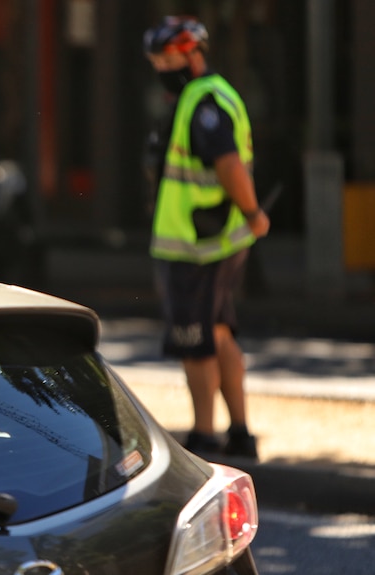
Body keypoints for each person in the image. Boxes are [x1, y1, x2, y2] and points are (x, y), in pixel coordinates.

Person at [143, 16, 270, 459]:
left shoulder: (203, 103)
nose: (162, 65)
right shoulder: (213, 95)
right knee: (218, 334)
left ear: (194, 54)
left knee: (194, 342)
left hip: (196, 247)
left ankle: (203, 436)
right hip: (216, 241)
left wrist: (255, 213)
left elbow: (229, 164)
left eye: (169, 57)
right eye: (156, 59)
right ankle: (240, 432)